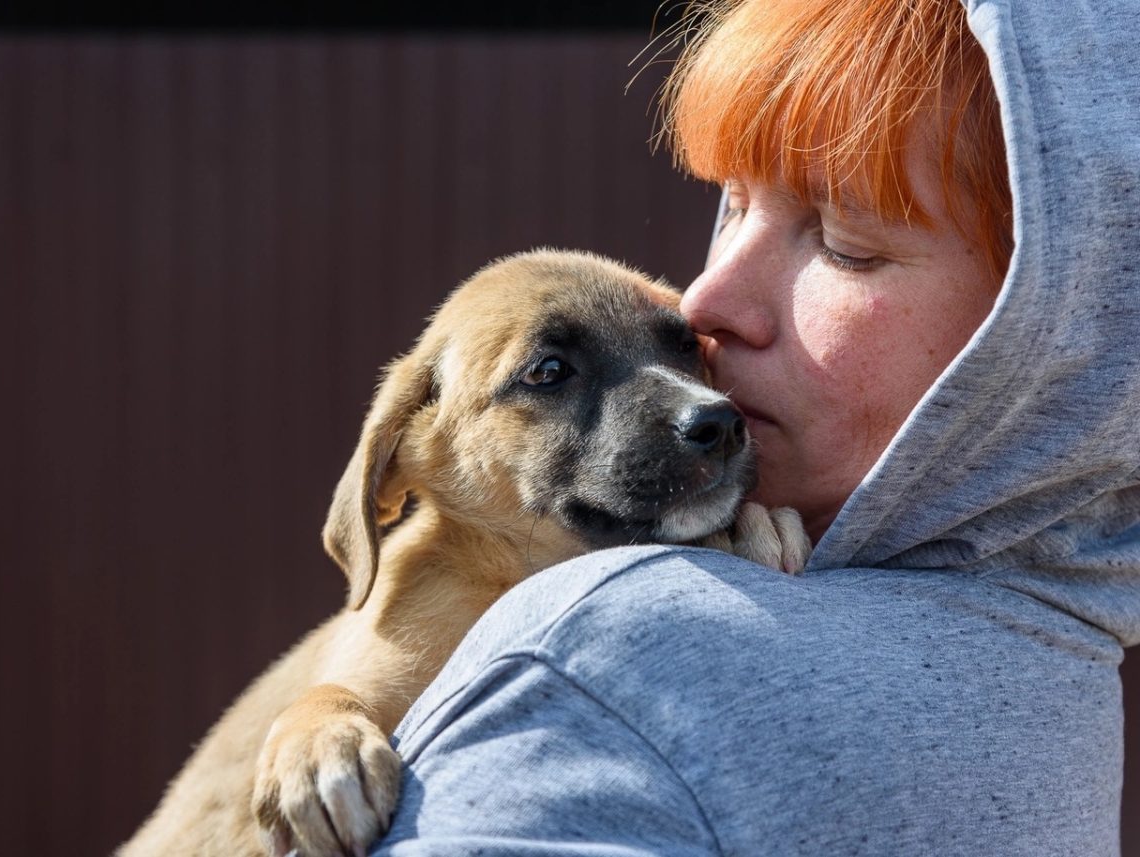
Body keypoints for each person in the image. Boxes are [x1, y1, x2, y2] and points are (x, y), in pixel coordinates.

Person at [370, 0, 1140, 853]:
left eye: (845, 242)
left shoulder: (611, 658)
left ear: (1055, 328)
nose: (703, 301)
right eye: (733, 202)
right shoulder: (1064, 665)